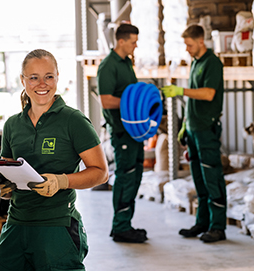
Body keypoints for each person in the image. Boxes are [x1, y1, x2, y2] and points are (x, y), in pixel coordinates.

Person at [0, 49, 108, 271]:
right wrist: (2, 188)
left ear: (57, 77)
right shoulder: (13, 125)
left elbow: (101, 172)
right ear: (23, 80)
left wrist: (62, 181)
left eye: (49, 76)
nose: (42, 84)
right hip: (16, 223)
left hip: (56, 225)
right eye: (33, 77)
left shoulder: (73, 121)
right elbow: (6, 169)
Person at [162, 24, 227, 243]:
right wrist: (184, 126)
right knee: (198, 178)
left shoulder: (212, 63)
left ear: (201, 41)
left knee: (212, 177)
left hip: (207, 130)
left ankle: (218, 227)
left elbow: (208, 94)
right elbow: (193, 100)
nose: (187, 50)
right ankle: (203, 222)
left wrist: (180, 90)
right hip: (194, 129)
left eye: (189, 45)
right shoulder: (196, 63)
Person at [96, 23, 148, 243]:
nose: (135, 46)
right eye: (133, 42)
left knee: (134, 175)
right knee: (126, 176)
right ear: (121, 41)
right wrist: (134, 102)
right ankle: (120, 227)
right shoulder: (109, 66)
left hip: (134, 130)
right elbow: (106, 100)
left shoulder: (127, 63)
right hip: (121, 131)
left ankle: (125, 223)